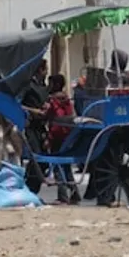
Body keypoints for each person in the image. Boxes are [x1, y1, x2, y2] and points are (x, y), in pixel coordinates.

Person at [41, 74, 79, 204]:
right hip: (68, 135)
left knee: (57, 165)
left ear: (56, 84)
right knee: (66, 166)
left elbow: (52, 117)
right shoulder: (66, 99)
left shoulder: (53, 101)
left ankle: (63, 196)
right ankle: (74, 193)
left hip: (57, 136)